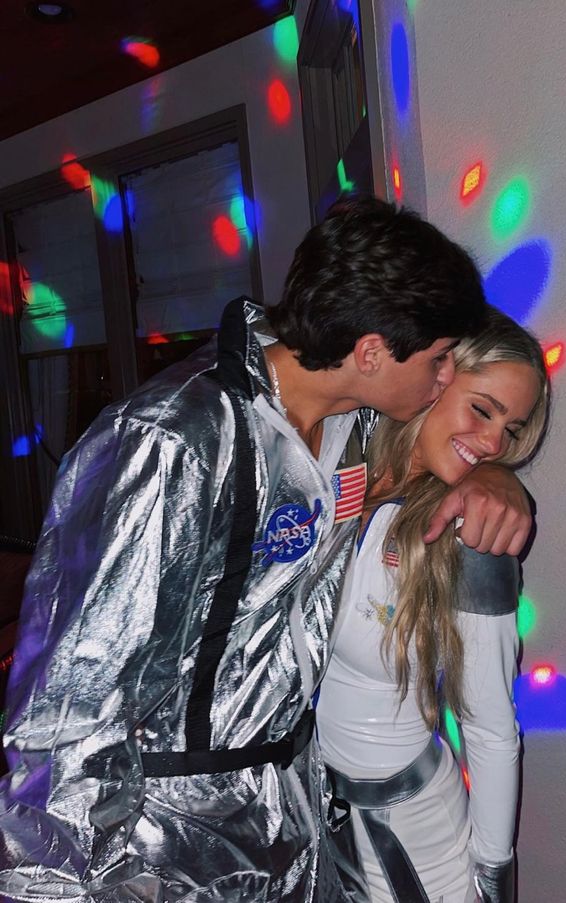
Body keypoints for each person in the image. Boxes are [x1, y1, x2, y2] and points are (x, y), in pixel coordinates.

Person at [0, 197, 533, 902]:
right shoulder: (172, 444)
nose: (445, 383)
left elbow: (449, 453)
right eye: (438, 362)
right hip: (165, 850)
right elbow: (67, 711)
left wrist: (499, 479)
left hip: (296, 825)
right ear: (371, 350)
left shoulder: (357, 425)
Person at [316, 309, 551, 902]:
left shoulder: (475, 537)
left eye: (512, 428)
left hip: (421, 836)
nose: (496, 443)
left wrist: (494, 877)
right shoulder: (337, 467)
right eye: (483, 409)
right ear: (437, 376)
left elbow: (492, 728)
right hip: (318, 815)